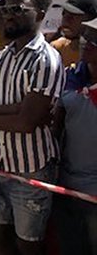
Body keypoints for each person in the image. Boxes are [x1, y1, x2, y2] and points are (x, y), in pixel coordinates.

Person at [0, 0, 64, 255]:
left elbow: (26, 124)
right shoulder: (2, 58)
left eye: (17, 9)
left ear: (39, 13)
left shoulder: (46, 60)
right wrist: (15, 108)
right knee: (0, 238)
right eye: (5, 9)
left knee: (28, 246)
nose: (8, 14)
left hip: (31, 170)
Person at [55, 17, 97, 255]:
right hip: (66, 182)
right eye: (87, 35)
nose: (87, 43)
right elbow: (58, 125)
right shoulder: (71, 76)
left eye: (96, 40)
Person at [50, 0, 97, 67]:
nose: (65, 19)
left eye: (73, 16)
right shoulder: (56, 49)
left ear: (92, 20)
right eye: (64, 13)